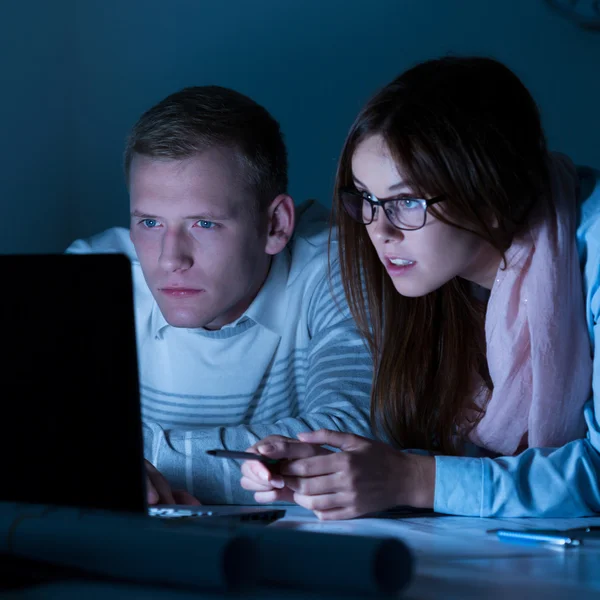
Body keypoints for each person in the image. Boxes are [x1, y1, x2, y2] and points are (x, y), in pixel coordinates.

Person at [240, 56, 600, 519]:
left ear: (489, 194)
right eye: (365, 198)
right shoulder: (439, 278)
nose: (379, 230)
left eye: (407, 201)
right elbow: (442, 468)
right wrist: (330, 474)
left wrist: (411, 480)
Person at [66, 85, 373, 504]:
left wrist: (112, 465)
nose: (171, 258)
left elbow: (350, 447)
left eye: (203, 224)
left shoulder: (341, 268)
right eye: (150, 223)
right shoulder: (94, 273)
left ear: (276, 226)